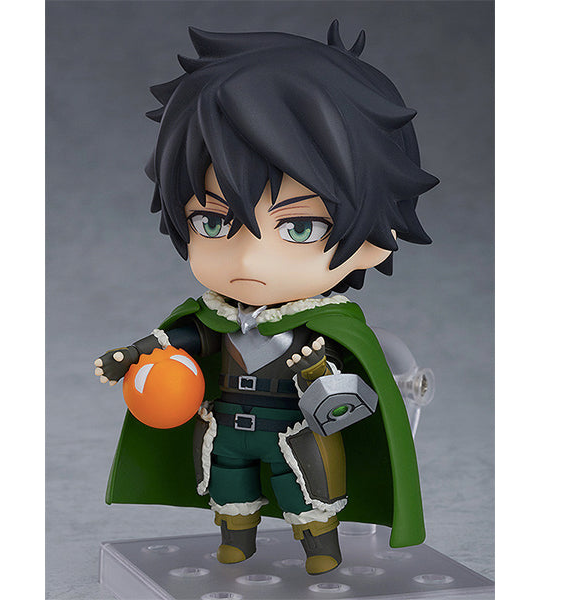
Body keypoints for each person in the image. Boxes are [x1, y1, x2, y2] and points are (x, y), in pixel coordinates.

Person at [94, 21, 438, 575]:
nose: (249, 261)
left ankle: (321, 548)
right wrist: (136, 354)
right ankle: (237, 538)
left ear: (374, 240)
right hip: (229, 425)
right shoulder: (215, 317)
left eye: (299, 228)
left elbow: (348, 392)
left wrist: (318, 369)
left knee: (309, 490)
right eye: (212, 222)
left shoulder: (325, 326)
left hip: (295, 429)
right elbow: (186, 341)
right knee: (229, 486)